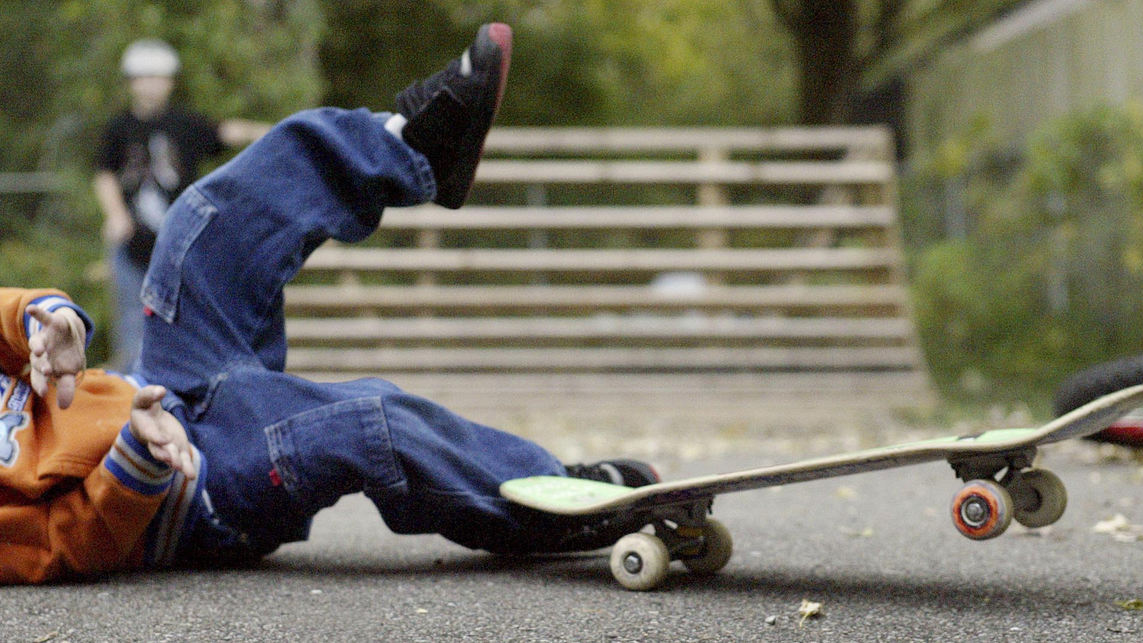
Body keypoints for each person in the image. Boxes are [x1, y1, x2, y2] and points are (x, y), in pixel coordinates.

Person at [2, 23, 658, 584]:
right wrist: (137, 461)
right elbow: (73, 543)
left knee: (197, 226)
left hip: (157, 376)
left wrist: (48, 316)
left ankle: (412, 145)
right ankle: (554, 497)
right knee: (361, 423)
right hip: (200, 483)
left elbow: (8, 314)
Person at [93, 39, 271, 372]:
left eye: (158, 76)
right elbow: (104, 175)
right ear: (131, 82)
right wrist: (116, 215)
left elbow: (226, 132)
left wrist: (279, 132)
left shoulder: (185, 123)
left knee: (187, 317)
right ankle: (134, 391)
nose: (151, 84)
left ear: (170, 81)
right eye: (143, 77)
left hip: (180, 242)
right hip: (133, 242)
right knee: (132, 323)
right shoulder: (118, 128)